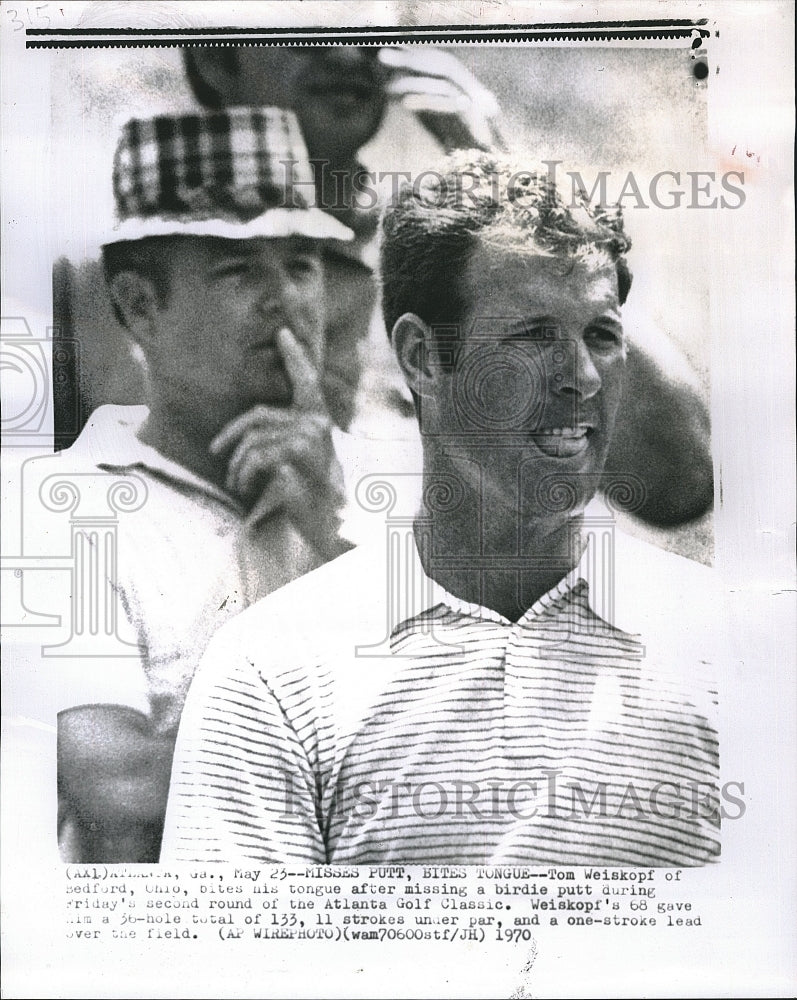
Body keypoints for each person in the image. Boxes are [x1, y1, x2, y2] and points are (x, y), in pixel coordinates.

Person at [161, 153, 721, 867]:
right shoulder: (272, 671)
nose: (581, 377)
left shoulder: (730, 646)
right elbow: (239, 972)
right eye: (533, 336)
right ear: (422, 357)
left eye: (600, 336)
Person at [181, 44, 713, 527]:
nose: (346, 55)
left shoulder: (446, 261)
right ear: (216, 59)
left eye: (364, 26)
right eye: (311, 25)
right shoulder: (136, 282)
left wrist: (516, 187)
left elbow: (680, 482)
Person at [47, 106, 351, 862]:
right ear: (139, 307)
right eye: (238, 268)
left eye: (303, 264)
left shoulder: (380, 483)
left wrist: (337, 537)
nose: (286, 299)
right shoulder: (59, 505)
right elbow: (120, 788)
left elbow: (485, 732)